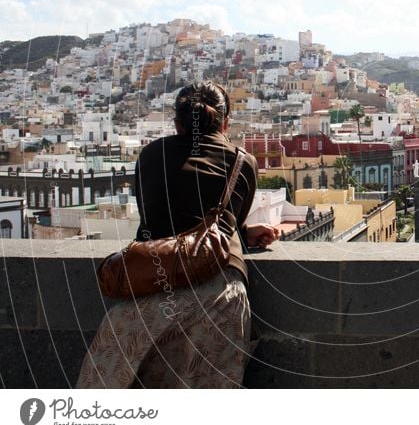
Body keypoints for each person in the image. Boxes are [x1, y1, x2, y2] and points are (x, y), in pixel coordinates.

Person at [77, 81, 278, 388]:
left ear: (176, 123)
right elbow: (223, 225)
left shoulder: (150, 155)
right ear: (225, 122)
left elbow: (156, 218)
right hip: (218, 297)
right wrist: (245, 234)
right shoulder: (242, 162)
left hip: (152, 289)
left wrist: (242, 232)